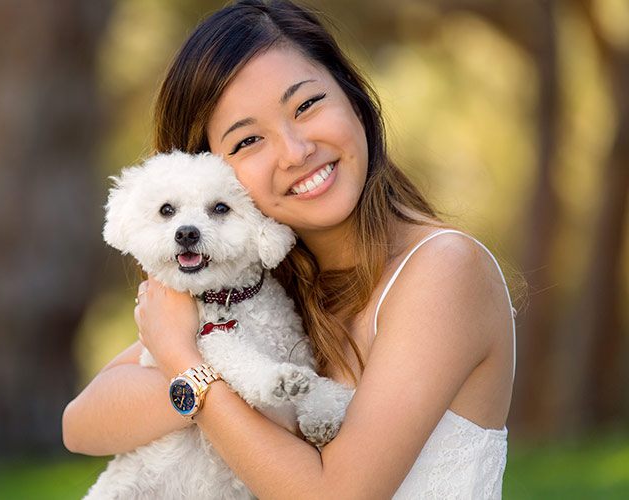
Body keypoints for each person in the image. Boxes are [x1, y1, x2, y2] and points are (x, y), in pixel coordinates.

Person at [63, 1, 517, 498]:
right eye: (248, 140)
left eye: (305, 106)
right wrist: (200, 370)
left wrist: (184, 363)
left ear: (353, 97)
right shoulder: (265, 287)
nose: (295, 151)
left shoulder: (443, 270)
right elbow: (82, 425)